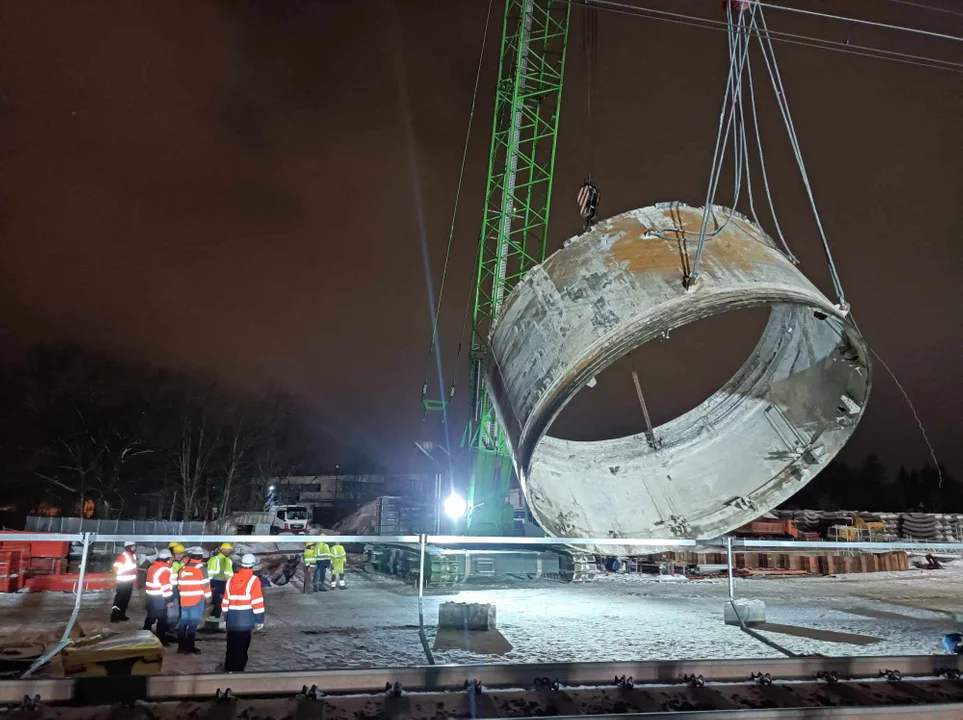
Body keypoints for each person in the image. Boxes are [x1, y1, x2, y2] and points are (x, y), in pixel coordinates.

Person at [220, 553, 265, 672]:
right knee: (242, 648)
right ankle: (238, 671)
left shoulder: (230, 580)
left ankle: (228, 668)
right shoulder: (254, 580)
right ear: (253, 565)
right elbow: (257, 602)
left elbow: (225, 602)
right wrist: (260, 620)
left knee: (231, 647)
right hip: (245, 622)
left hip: (232, 621)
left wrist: (225, 618)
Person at [176, 547, 211, 654]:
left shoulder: (183, 569)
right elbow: (206, 585)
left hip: (184, 600)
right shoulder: (201, 569)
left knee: (183, 623)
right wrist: (209, 599)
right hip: (196, 601)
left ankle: (181, 646)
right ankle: (190, 646)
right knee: (193, 624)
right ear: (201, 557)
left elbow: (179, 586)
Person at [144, 549, 174, 644]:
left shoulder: (152, 567)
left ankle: (144, 634)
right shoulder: (165, 569)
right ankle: (162, 638)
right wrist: (169, 600)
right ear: (167, 559)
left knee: (151, 616)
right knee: (162, 618)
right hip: (159, 598)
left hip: (150, 596)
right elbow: (165, 587)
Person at [110, 540, 138, 622]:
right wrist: (127, 572)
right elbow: (116, 568)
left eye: (135, 546)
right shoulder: (123, 556)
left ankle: (122, 614)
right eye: (133, 546)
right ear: (128, 547)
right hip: (122, 582)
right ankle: (114, 616)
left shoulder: (133, 556)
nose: (134, 548)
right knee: (119, 600)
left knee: (125, 599)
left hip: (129, 582)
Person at [207, 543, 234, 619]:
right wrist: (209, 585)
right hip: (216, 582)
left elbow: (230, 573)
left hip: (225, 583)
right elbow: (210, 572)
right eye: (227, 550)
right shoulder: (215, 559)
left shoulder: (229, 560)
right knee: (217, 601)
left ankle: (215, 618)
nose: (229, 551)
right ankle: (213, 619)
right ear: (222, 550)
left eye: (230, 550)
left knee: (221, 601)